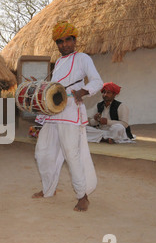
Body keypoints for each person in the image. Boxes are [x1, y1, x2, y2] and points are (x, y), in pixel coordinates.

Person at [32, 21, 104, 212]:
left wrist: (84, 90)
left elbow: (98, 81)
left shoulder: (83, 58)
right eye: (60, 42)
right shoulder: (59, 63)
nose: (64, 45)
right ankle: (48, 189)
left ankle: (83, 196)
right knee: (43, 152)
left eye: (67, 40)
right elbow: (55, 88)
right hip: (54, 113)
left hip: (71, 112)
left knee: (72, 154)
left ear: (74, 40)